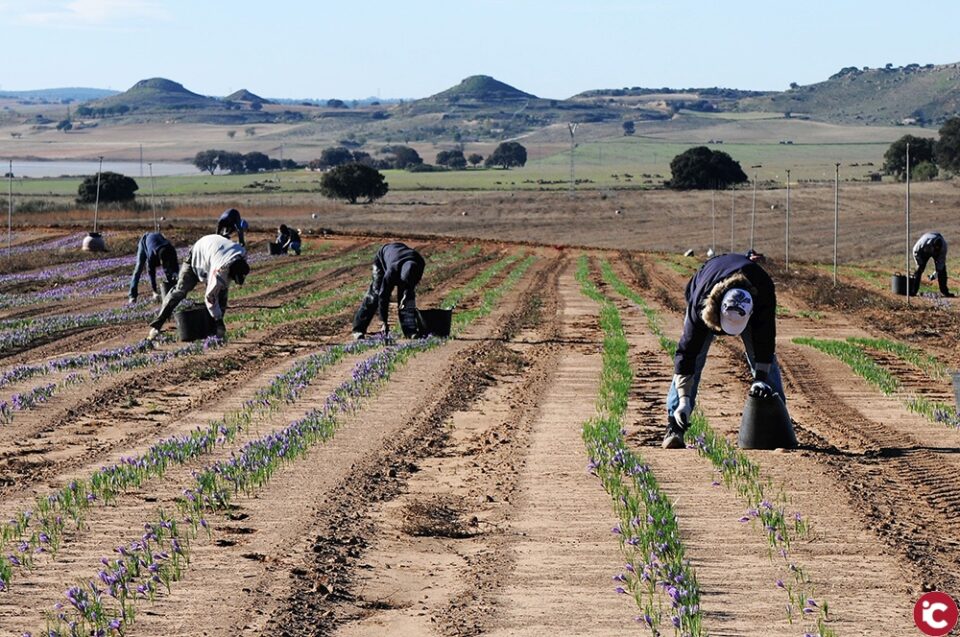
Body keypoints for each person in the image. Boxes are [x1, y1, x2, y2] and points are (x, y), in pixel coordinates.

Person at [663, 252, 784, 449]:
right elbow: (686, 355)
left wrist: (761, 378)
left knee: (763, 359)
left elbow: (765, 342)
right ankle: (675, 425)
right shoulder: (701, 303)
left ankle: (777, 425)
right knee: (696, 357)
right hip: (707, 287)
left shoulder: (763, 292)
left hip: (752, 295)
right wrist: (684, 400)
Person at [147, 234, 249, 341]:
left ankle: (213, 332)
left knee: (222, 294)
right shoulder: (220, 272)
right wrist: (219, 320)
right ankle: (156, 326)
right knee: (179, 291)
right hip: (196, 258)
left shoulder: (241, 253)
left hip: (211, 254)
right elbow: (210, 297)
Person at [352, 242, 425, 339]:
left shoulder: (419, 263)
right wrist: (384, 322)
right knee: (375, 295)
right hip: (383, 258)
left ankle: (409, 331)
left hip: (401, 257)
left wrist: (406, 293)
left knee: (408, 299)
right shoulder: (391, 272)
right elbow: (384, 296)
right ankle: (358, 329)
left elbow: (410, 286)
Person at [128, 231, 179, 305]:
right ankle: (132, 295)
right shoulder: (152, 255)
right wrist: (154, 291)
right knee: (138, 268)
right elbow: (151, 273)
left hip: (158, 242)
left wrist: (175, 275)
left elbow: (174, 264)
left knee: (169, 270)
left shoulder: (171, 250)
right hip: (144, 242)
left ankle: (171, 292)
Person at [911, 231, 953, 297]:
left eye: (937, 250)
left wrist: (937, 272)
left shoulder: (943, 248)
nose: (935, 251)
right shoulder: (923, 243)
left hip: (935, 251)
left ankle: (945, 291)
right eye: (935, 249)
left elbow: (941, 262)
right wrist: (919, 263)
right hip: (924, 251)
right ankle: (913, 291)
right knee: (919, 270)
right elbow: (915, 251)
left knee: (942, 271)